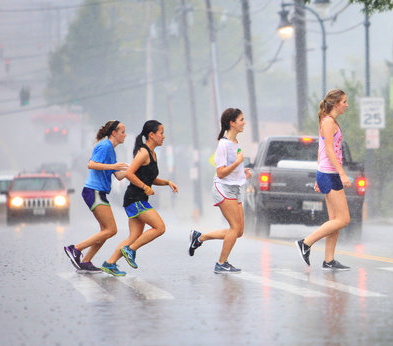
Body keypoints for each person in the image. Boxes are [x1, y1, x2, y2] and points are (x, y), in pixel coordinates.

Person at [101, 120, 178, 276]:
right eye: (161, 133)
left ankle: (109, 263)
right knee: (159, 227)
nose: (163, 137)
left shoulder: (153, 154)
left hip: (137, 199)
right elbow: (129, 174)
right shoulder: (143, 153)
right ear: (151, 135)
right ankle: (131, 250)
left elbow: (149, 178)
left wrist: (167, 182)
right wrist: (145, 188)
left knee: (134, 236)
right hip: (134, 199)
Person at [188, 108, 252, 273]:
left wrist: (243, 174)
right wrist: (237, 164)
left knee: (239, 231)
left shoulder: (235, 143)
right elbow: (221, 172)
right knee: (234, 228)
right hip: (223, 189)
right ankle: (221, 263)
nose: (244, 122)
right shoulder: (223, 144)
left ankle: (199, 237)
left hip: (235, 189)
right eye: (241, 120)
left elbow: (232, 171)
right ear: (232, 123)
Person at [295, 89, 352, 270]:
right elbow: (328, 150)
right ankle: (306, 242)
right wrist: (342, 173)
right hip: (330, 173)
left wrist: (318, 177)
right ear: (335, 103)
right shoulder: (328, 122)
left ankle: (329, 260)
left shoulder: (330, 121)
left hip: (326, 173)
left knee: (334, 220)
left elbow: (321, 151)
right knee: (343, 219)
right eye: (344, 101)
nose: (346, 105)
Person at [63, 120, 128, 273]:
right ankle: (75, 249)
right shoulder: (105, 146)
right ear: (114, 133)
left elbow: (118, 175)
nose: (125, 135)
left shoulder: (111, 150)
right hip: (94, 191)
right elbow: (91, 164)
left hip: (100, 192)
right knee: (111, 230)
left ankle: (86, 261)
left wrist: (134, 170)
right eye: (122, 132)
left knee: (105, 231)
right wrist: (113, 166)